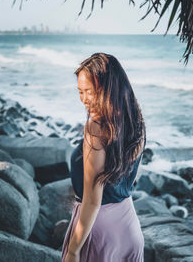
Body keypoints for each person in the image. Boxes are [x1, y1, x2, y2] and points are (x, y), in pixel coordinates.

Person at [61, 53, 146, 262]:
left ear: (108, 89)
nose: (83, 99)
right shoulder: (137, 121)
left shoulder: (96, 128)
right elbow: (130, 178)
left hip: (98, 231)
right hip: (129, 228)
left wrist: (73, 251)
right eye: (80, 92)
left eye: (89, 91)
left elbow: (92, 201)